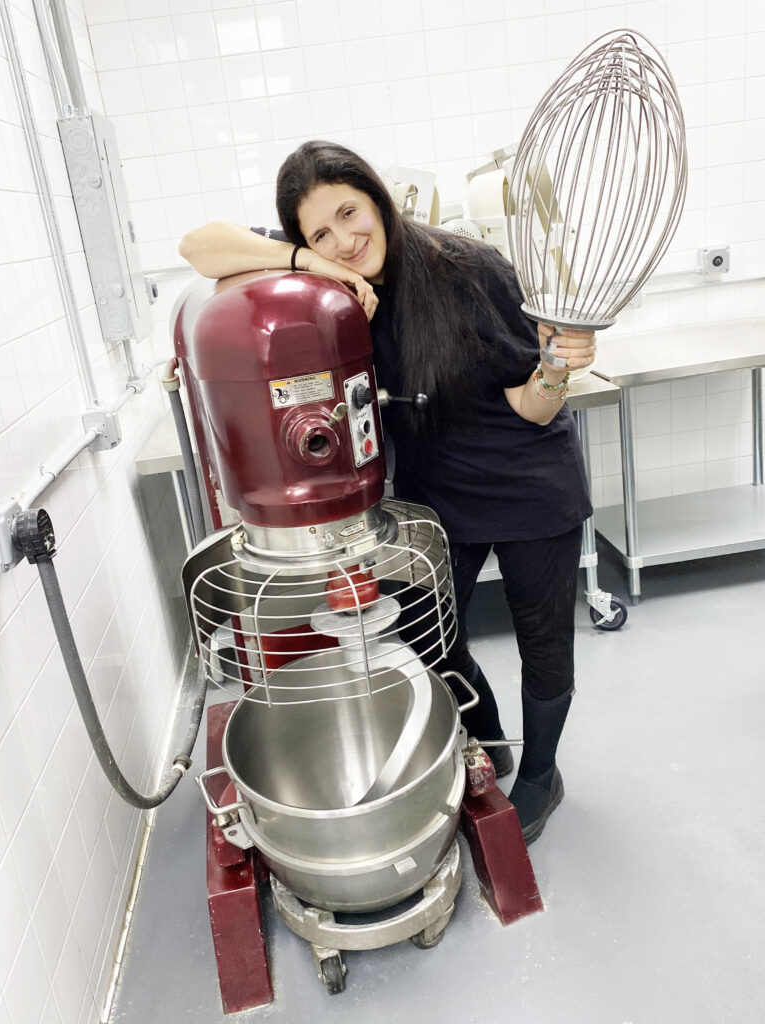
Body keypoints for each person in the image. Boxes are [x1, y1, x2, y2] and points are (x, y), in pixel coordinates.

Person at [179, 140, 596, 844]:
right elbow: (198, 247)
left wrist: (559, 363)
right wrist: (309, 264)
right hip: (435, 501)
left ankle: (540, 776)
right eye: (319, 232)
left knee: (542, 643)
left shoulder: (468, 269)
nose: (344, 238)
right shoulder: (327, 278)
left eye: (350, 212)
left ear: (375, 198)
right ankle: (489, 749)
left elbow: (533, 406)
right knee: (433, 642)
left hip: (530, 485)